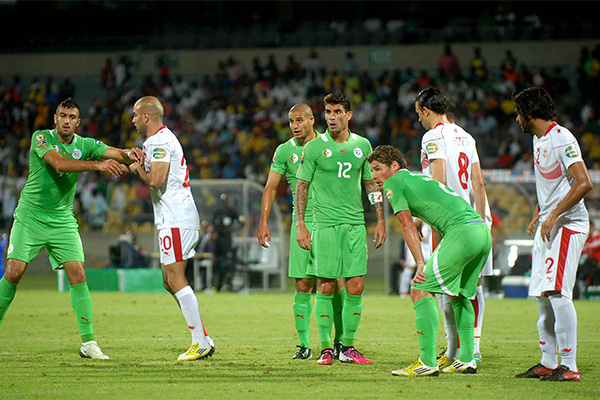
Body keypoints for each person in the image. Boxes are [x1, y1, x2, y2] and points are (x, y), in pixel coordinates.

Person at [0, 98, 143, 359]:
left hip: (62, 219)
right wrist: (97, 165)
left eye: (72, 117)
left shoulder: (85, 145)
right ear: (55, 119)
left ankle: (89, 343)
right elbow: (59, 163)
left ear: (78, 122)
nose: (66, 121)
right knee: (14, 271)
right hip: (30, 216)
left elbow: (114, 153)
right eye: (63, 116)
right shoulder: (41, 138)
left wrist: (129, 153)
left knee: (78, 273)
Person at [367, 145, 492, 377]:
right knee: (460, 294)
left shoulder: (394, 182)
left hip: (462, 233)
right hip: (481, 231)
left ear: (394, 166)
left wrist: (420, 263)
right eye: (372, 170)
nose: (373, 176)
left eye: (377, 169)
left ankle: (427, 362)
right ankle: (467, 359)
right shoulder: (416, 178)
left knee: (419, 288)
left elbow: (405, 225)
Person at [295, 93, 386, 365]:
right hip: (324, 225)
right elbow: (302, 187)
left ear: (349, 115)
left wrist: (380, 219)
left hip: (355, 224)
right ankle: (326, 348)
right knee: (325, 285)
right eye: (328, 112)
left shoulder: (363, 145)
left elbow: (371, 184)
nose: (331, 117)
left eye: (337, 112)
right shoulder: (314, 148)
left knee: (355, 286)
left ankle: (347, 347)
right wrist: (301, 223)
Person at [513, 87, 592, 382]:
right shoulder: (538, 139)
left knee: (558, 292)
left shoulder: (562, 139)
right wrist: (540, 212)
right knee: (543, 296)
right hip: (549, 223)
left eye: (518, 113)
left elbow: (583, 182)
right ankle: (548, 361)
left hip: (568, 224)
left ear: (530, 114)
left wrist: (555, 214)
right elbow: (551, 185)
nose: (516, 118)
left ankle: (569, 366)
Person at [127, 96, 215, 361]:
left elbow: (156, 180)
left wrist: (137, 170)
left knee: (175, 278)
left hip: (177, 218)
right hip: (171, 218)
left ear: (146, 116)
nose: (132, 120)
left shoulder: (160, 141)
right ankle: (203, 337)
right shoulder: (157, 140)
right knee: (168, 280)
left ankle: (200, 342)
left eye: (135, 115)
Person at [257, 103, 345, 360]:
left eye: (299, 120)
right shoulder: (285, 151)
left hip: (329, 221)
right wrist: (263, 222)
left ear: (311, 120)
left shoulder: (330, 145)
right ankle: (304, 345)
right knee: (303, 283)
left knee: (334, 282)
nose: (295, 126)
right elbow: (270, 187)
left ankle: (340, 343)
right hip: (302, 224)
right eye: (291, 121)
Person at [416, 88, 493, 367]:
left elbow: (438, 181)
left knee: (444, 285)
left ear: (426, 110)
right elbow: (479, 182)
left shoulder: (432, 136)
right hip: (475, 220)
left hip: (448, 220)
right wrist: (481, 221)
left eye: (418, 113)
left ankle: (453, 349)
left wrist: (429, 218)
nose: (419, 119)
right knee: (473, 285)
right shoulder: (466, 136)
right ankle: (473, 348)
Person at [212, 193, 240, 292]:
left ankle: (229, 284)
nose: (224, 202)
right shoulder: (217, 212)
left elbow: (241, 221)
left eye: (225, 200)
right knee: (216, 261)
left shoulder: (232, 212)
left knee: (229, 261)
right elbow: (213, 224)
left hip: (227, 240)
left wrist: (234, 229)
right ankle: (216, 284)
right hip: (219, 239)